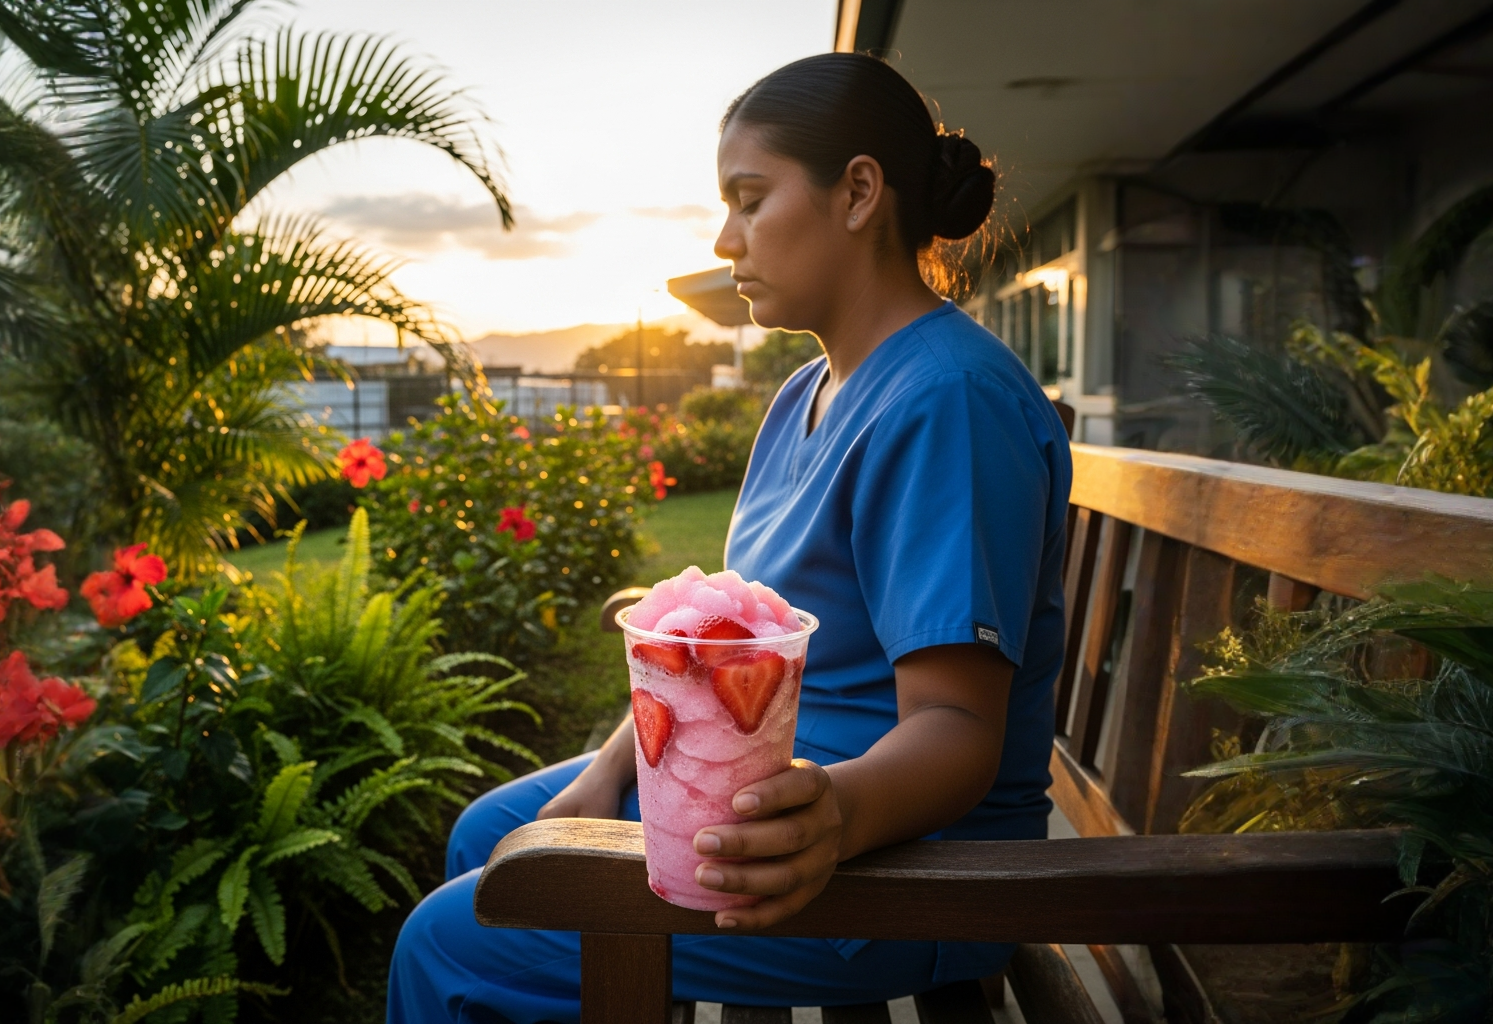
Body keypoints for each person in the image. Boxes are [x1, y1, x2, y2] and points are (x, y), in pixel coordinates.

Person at [387, 51, 1071, 1022]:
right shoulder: (803, 392)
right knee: (485, 837)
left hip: (895, 863)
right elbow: (712, 647)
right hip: (745, 790)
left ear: (858, 192)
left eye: (748, 198)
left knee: (445, 944)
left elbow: (956, 730)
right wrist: (607, 770)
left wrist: (831, 816)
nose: (725, 236)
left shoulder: (946, 400)